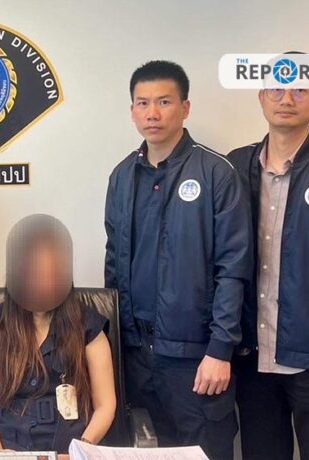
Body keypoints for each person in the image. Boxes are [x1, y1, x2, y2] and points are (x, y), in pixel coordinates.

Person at [104, 61, 252, 459]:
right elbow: (114, 264)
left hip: (196, 358)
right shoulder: (122, 176)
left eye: (164, 102)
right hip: (137, 356)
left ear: (185, 108)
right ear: (132, 111)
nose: (153, 113)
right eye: (143, 103)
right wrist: (115, 346)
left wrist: (220, 350)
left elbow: (233, 270)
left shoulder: (216, 173)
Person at [0, 214, 116, 453]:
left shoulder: (89, 327)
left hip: (71, 446)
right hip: (10, 447)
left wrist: (82, 449)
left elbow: (106, 405)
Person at [228, 63, 309, 460]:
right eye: (277, 89)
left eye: (300, 90)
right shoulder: (235, 166)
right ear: (261, 97)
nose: (287, 99)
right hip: (252, 355)